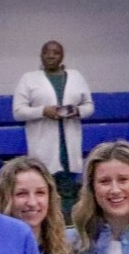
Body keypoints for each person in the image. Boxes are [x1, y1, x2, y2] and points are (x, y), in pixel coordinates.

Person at [13, 41, 94, 191]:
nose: (50, 56)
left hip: (70, 145)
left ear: (62, 56)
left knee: (70, 191)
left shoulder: (76, 76)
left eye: (56, 53)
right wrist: (43, 111)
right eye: (46, 52)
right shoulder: (28, 78)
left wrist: (76, 110)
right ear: (40, 56)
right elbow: (18, 112)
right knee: (44, 188)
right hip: (43, 145)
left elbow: (89, 106)